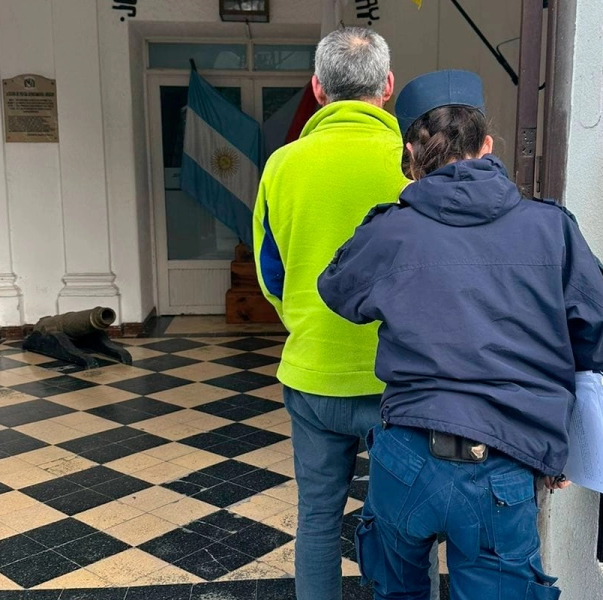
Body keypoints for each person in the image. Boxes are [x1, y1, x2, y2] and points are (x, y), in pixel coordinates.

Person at [317, 70, 603, 600]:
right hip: (503, 466)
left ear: (410, 153)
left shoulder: (392, 230)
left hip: (405, 460)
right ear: (487, 146)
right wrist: (560, 442)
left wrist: (400, 210)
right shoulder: (551, 229)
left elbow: (336, 289)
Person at [253, 27, 438, 600]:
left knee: (316, 518)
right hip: (402, 382)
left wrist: (307, 320)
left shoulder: (282, 165)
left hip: (313, 374)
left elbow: (270, 273)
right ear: (388, 85)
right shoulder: (416, 160)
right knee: (409, 527)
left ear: (317, 88)